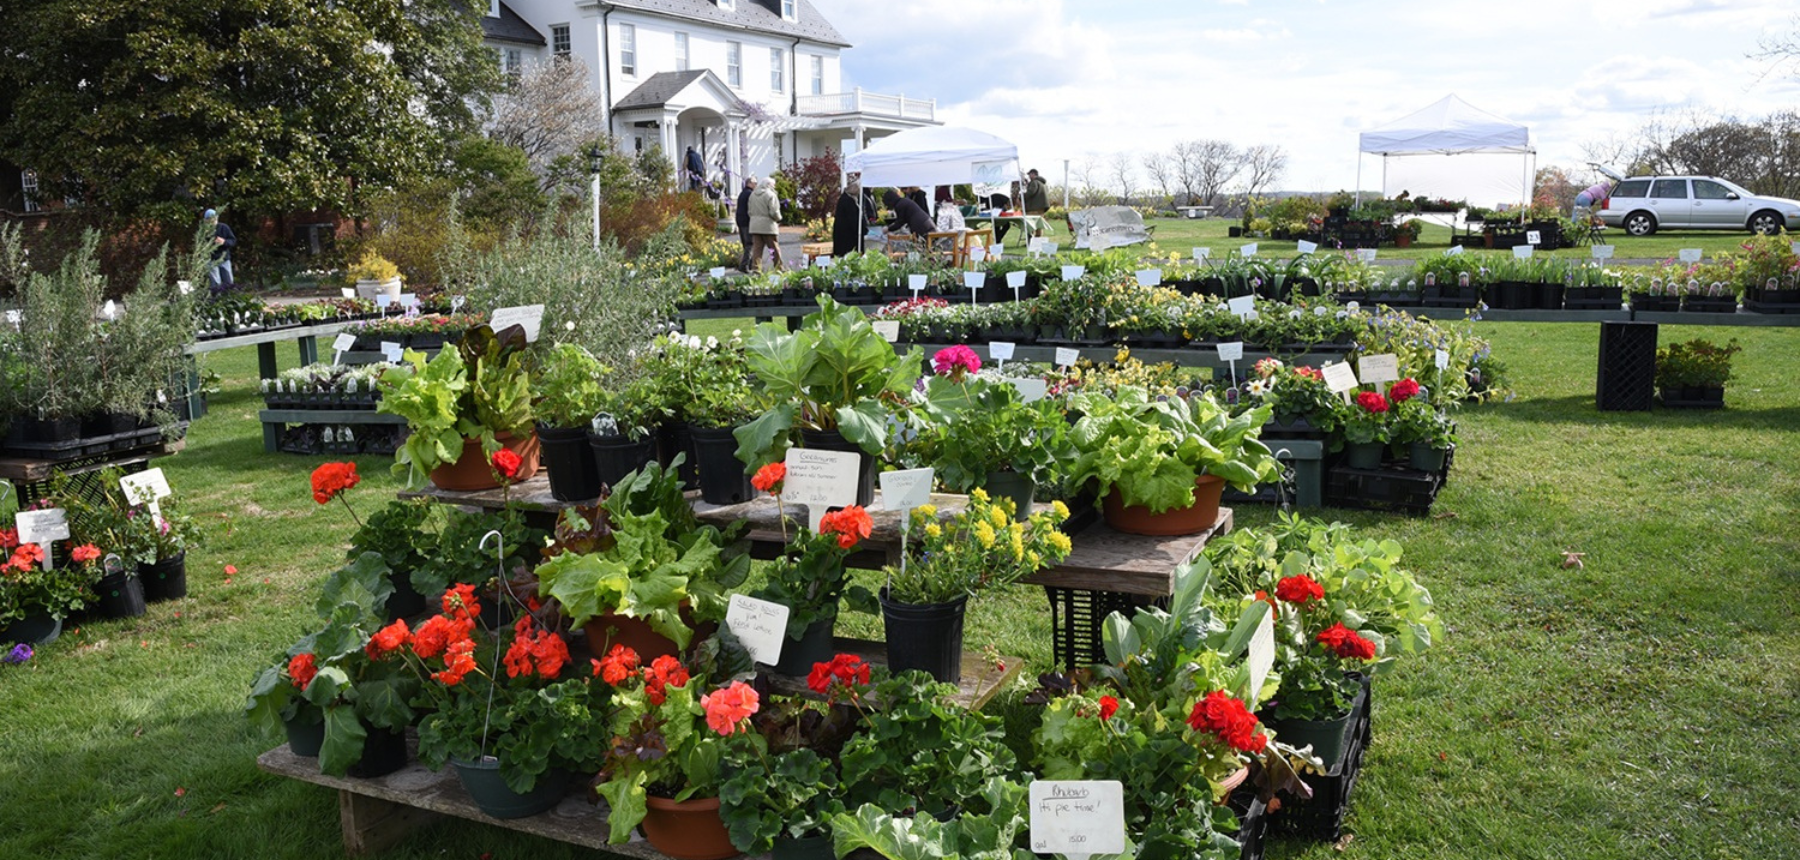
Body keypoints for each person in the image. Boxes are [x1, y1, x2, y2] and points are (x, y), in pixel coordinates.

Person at [748, 176, 784, 272]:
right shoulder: (770, 195)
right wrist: (779, 218)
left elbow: (750, 211)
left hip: (755, 225)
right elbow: (774, 212)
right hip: (768, 226)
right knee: (774, 248)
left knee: (757, 249)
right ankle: (779, 267)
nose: (774, 187)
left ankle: (756, 269)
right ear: (768, 185)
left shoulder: (752, 195)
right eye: (773, 185)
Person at [832, 175, 867, 258]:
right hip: (847, 236)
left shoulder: (847, 199)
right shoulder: (848, 201)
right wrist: (863, 230)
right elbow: (853, 220)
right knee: (848, 256)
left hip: (845, 234)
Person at [203, 208, 236, 288]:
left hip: (224, 259)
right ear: (205, 220)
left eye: (213, 218)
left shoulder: (224, 227)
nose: (211, 220)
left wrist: (224, 242)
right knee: (215, 281)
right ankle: (215, 298)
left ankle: (228, 298)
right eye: (209, 219)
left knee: (228, 280)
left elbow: (233, 240)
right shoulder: (204, 230)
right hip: (211, 259)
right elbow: (201, 245)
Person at [735, 177, 756, 270]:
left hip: (740, 221)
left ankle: (750, 264)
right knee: (749, 244)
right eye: (755, 183)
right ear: (750, 183)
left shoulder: (742, 193)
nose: (756, 185)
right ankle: (744, 265)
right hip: (747, 221)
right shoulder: (750, 194)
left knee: (746, 244)